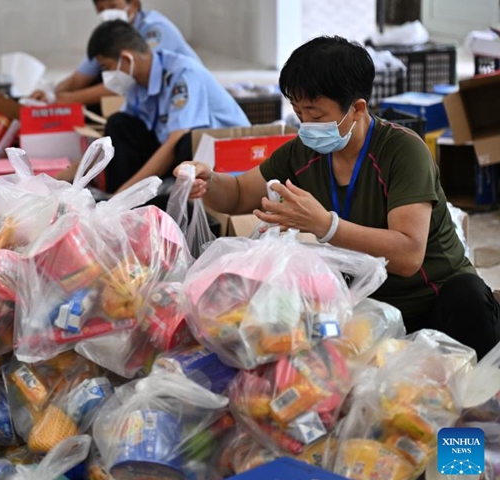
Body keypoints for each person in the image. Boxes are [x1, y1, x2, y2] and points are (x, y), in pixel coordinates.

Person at [176, 35, 500, 358]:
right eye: (298, 113)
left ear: (357, 108)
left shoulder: (402, 151)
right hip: (365, 307)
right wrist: (209, 180)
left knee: (467, 298)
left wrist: (326, 226)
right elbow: (236, 196)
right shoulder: (302, 153)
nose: (305, 125)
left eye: (315, 116)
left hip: (433, 302)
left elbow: (408, 254)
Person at [58, 20, 250, 195]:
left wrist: (125, 194)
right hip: (170, 149)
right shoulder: (136, 82)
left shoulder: (183, 74)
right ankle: (121, 203)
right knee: (118, 125)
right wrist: (60, 180)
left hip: (223, 155)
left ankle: (133, 202)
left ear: (126, 58)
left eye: (107, 67)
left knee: (184, 141)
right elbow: (113, 141)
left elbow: (174, 141)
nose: (107, 76)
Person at [30, 0, 200, 107]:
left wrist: (69, 98)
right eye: (101, 9)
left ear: (133, 4)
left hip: (181, 93)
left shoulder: (155, 30)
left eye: (112, 6)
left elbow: (127, 78)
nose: (107, 13)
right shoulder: (109, 35)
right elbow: (80, 77)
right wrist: (50, 95)